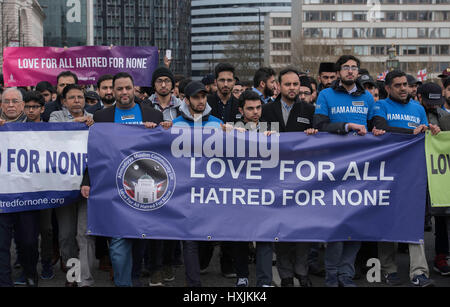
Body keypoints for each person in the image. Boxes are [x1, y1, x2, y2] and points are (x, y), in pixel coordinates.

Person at [81, 72, 164, 287]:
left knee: (141, 242)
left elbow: (166, 151)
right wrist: (87, 180)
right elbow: (94, 153)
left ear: (134, 89)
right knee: (118, 247)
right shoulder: (101, 117)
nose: (124, 92)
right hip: (116, 189)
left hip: (148, 189)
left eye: (128, 88)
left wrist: (162, 130)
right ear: (113, 91)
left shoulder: (153, 115)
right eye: (119, 89)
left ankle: (135, 277)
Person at [314, 55, 384, 287]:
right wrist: (347, 127)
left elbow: (377, 120)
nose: (351, 71)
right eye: (346, 68)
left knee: (356, 224)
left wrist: (379, 129)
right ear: (339, 72)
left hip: (361, 168)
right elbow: (320, 124)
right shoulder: (326, 95)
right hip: (334, 167)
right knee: (337, 225)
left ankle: (346, 274)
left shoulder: (365, 95)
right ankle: (331, 276)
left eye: (354, 68)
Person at [369, 70, 438, 287]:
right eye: (397, 85)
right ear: (387, 88)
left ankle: (419, 272)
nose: (402, 88)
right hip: (387, 173)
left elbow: (424, 134)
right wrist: (412, 133)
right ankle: (389, 269)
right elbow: (382, 128)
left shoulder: (418, 109)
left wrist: (431, 130)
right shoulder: (380, 106)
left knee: (413, 222)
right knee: (388, 222)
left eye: (405, 85)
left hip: (412, 174)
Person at [262, 68, 317, 287]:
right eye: (288, 84)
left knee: (302, 227)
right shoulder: (266, 110)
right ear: (278, 86)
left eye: (296, 84)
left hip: (303, 178)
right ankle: (285, 274)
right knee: (281, 227)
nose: (292, 88)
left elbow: (321, 138)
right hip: (274, 177)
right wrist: (261, 135)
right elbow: (257, 139)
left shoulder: (309, 110)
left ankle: (302, 271)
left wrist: (315, 134)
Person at [172, 81, 223, 287]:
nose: (200, 101)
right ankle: (193, 284)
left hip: (211, 190)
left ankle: (200, 268)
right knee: (190, 239)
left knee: (207, 237)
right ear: (187, 100)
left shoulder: (218, 124)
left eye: (203, 97)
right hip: (185, 191)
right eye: (195, 97)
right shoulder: (175, 125)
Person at [49, 84, 94, 287]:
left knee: (83, 234)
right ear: (64, 101)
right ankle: (72, 274)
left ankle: (84, 279)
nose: (77, 100)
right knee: (66, 235)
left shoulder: (95, 118)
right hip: (64, 185)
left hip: (87, 183)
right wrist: (78, 123)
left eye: (80, 97)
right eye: (72, 97)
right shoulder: (56, 117)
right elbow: (52, 135)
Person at [0, 88, 40, 287]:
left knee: (29, 242)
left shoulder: (40, 128)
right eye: (6, 101)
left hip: (27, 196)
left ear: (23, 105)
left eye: (15, 101)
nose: (10, 105)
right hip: (2, 197)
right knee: (1, 244)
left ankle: (30, 273)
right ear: (1, 105)